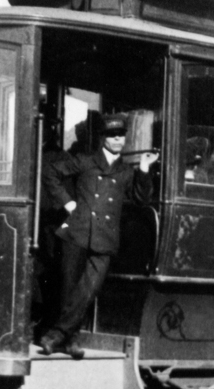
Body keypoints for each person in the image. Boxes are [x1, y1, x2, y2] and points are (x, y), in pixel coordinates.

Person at [39, 112, 159, 358]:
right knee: (69, 289)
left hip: (105, 239)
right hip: (77, 233)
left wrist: (144, 169)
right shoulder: (85, 161)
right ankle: (70, 340)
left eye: (121, 135)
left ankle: (55, 335)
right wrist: (68, 203)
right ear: (103, 137)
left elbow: (141, 199)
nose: (117, 140)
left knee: (89, 289)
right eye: (112, 135)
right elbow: (50, 173)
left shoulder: (126, 171)